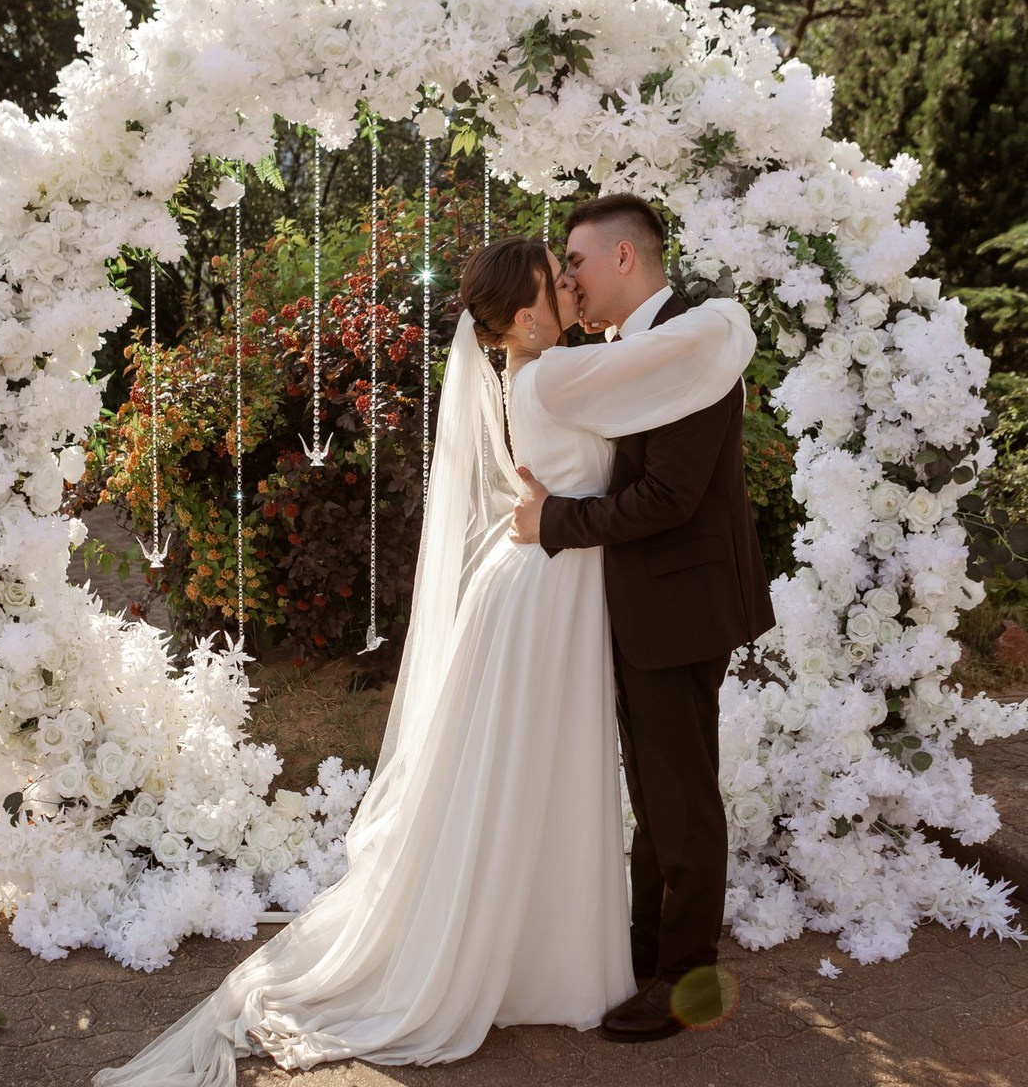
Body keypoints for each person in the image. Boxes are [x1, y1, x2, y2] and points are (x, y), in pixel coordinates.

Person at [94, 234, 756, 1087]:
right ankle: (535, 950)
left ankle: (551, 943)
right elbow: (679, 359)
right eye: (556, 280)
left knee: (538, 772)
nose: (570, 284)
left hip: (550, 582)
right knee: (531, 770)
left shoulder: (543, 366)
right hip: (546, 589)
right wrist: (730, 318)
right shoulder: (554, 372)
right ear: (525, 318)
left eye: (572, 269)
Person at [511, 194, 776, 1042]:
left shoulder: (690, 344)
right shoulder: (633, 350)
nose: (570, 280)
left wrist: (554, 522)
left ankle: (686, 980)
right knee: (656, 799)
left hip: (681, 605)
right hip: (643, 605)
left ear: (623, 257)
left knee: (681, 801)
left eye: (576, 261)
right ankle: (646, 952)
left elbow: (668, 497)